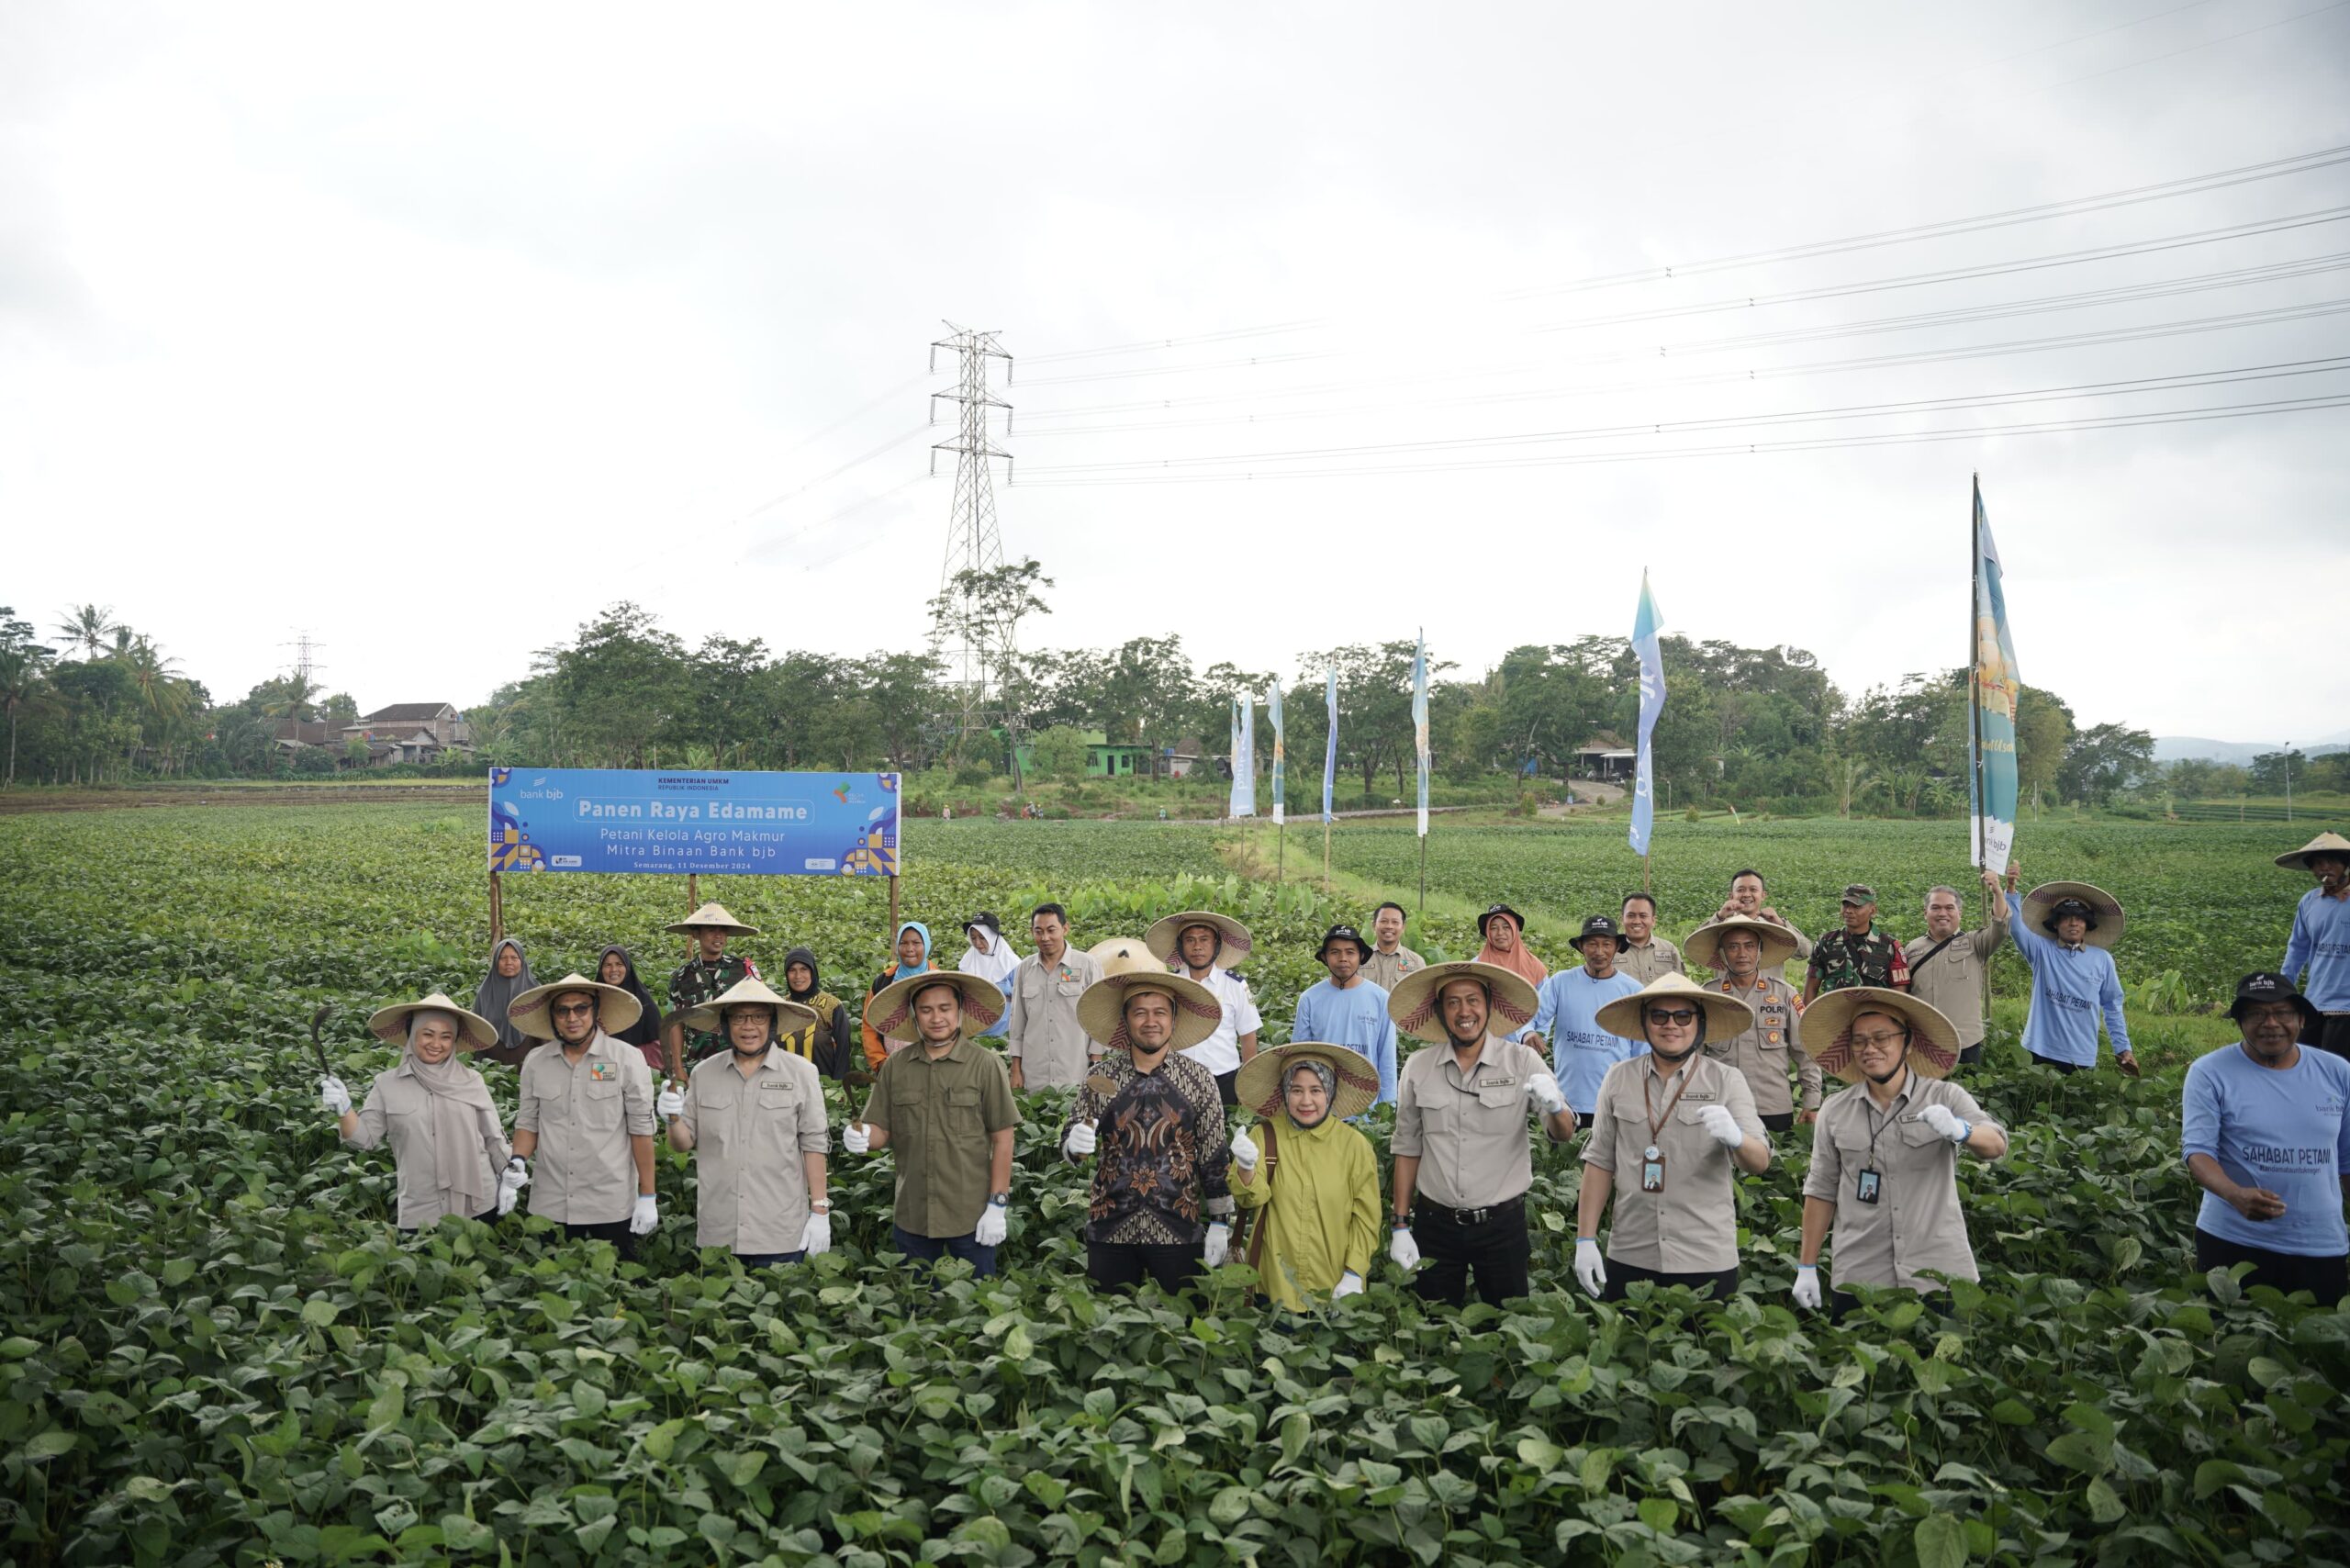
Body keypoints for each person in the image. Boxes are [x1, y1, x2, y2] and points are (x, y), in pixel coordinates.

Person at [1794, 987, 2008, 1316]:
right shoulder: (1835, 1111)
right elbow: (1821, 1190)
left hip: (1938, 1274)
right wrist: (1807, 1266)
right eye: (1859, 1040)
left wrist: (1962, 1131)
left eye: (1882, 1038)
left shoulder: (1945, 1097)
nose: (1870, 1049)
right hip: (1860, 1276)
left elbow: (1995, 1145)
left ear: (1907, 1043)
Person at [1386, 962, 1576, 1308]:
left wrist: (1554, 1106)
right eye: (1453, 1002)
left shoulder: (1521, 1062)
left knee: (1506, 1323)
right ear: (1441, 1013)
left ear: (1489, 1006)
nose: (1464, 1011)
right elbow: (1407, 1145)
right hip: (1435, 1224)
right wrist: (1400, 1224)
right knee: (1435, 1321)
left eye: (1473, 1000)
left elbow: (1562, 1134)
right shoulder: (1418, 1066)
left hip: (1501, 1226)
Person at [1576, 974, 1769, 1302]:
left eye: (1683, 1016)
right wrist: (1585, 1240)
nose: (1671, 1025)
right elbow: (1599, 1162)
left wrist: (1738, 1139)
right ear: (1645, 1022)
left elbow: (1760, 1162)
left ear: (1699, 1023)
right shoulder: (1619, 1078)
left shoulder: (1726, 1081)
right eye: (1659, 1015)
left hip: (1705, 1254)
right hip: (1631, 1251)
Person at [1063, 961, 1235, 1294]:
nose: (1151, 1021)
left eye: (1160, 1012)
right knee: (1109, 1327)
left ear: (1174, 1019)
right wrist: (1074, 1144)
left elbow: (1213, 1155)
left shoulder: (1199, 1079)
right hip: (1110, 1226)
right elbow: (1073, 1143)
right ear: (1126, 1020)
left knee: (1182, 1330)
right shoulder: (1101, 1078)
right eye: (1140, 1013)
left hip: (1178, 1227)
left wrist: (1219, 1221)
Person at [2181, 972, 2350, 1305]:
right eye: (2256, 1014)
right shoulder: (2210, 1072)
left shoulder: (2337, 1072)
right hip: (2233, 1239)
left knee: (2316, 1351)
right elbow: (2198, 1151)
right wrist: (2235, 1194)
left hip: (2320, 1243)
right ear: (2240, 1022)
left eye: (2282, 1013)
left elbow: (2346, 1162)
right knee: (2232, 1342)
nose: (2271, 1023)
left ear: (2301, 1019)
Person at [843, 971, 1018, 1274]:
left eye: (945, 1008)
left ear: (960, 1011)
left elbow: (1003, 1137)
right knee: (918, 1303)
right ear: (914, 1016)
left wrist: (997, 1204)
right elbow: (881, 1129)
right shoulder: (897, 1066)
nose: (936, 1017)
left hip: (972, 1213)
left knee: (975, 1303)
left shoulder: (984, 1064)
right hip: (914, 1211)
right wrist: (863, 1136)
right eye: (926, 1010)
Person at [655, 977, 832, 1267]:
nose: (748, 1026)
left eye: (758, 1017)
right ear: (725, 1025)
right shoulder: (704, 1073)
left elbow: (813, 1144)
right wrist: (672, 1118)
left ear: (772, 1023)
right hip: (718, 1232)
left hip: (780, 1232)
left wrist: (820, 1211)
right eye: (738, 1018)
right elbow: (682, 1143)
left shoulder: (802, 1073)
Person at [319, 992, 511, 1231]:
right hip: (421, 1208)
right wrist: (344, 1110)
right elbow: (363, 1139)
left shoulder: (472, 1081)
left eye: (446, 1037)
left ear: (454, 1041)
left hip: (479, 1202)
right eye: (427, 1034)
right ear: (412, 1035)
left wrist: (509, 1178)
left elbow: (493, 1139)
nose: (436, 1044)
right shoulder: (387, 1084)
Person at [503, 972, 661, 1257]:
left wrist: (648, 1194)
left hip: (609, 1200)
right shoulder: (536, 1062)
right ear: (552, 1016)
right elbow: (528, 1123)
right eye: (562, 1010)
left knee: (616, 1281)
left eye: (581, 1008)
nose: (572, 1017)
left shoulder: (627, 1059)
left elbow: (641, 1130)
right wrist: (517, 1160)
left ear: (596, 1011)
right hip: (550, 1198)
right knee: (550, 1281)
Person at [1227, 1043, 1384, 1311]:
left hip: (1334, 1289)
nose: (1306, 1101)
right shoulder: (1264, 1136)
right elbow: (1251, 1199)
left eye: (1316, 1090)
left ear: (1331, 1093)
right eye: (1296, 1090)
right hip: (1273, 1288)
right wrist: (1245, 1166)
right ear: (1285, 1092)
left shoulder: (1354, 1146)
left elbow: (1366, 1219)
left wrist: (1354, 1272)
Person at [1988, 865, 2138, 1077]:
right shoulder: (2041, 951)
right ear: (2055, 924)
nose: (2073, 923)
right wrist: (2010, 888)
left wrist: (2122, 1048)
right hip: (2039, 1050)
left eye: (2079, 918)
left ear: (2087, 924)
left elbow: (2113, 1005)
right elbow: (2016, 927)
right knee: (2036, 1105)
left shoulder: (2102, 960)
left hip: (2082, 1054)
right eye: (2066, 917)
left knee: (2076, 1108)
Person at [1684, 915, 1819, 1131]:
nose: (1742, 954)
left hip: (1773, 1106)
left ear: (1760, 950)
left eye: (1749, 946)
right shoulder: (1707, 995)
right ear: (1722, 953)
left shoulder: (1784, 993)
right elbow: (1693, 1056)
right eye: (1733, 947)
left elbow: (1804, 1050)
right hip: (1722, 1107)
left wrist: (1812, 1102)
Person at [1514, 915, 1643, 1119]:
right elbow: (1528, 1015)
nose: (1599, 952)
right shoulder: (1561, 982)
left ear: (1617, 947)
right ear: (1581, 947)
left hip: (1615, 1101)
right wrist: (1528, 1032)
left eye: (1606, 944)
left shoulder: (1633, 990)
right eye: (1592, 944)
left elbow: (1642, 1051)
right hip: (1567, 1099)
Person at [1145, 909, 1263, 1106]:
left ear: (1216, 945)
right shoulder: (1169, 985)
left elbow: (1248, 1037)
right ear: (1180, 946)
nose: (1197, 947)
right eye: (1190, 940)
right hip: (1177, 1078)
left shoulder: (1235, 985)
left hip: (1224, 1078)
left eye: (1204, 939)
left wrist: (1247, 1085)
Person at [1292, 924, 1400, 1106]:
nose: (1343, 958)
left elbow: (1387, 1057)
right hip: (1322, 1105)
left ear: (1361, 957)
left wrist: (1387, 1107)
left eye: (1350, 952)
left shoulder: (1381, 998)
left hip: (1367, 1107)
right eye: (1335, 952)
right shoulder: (1309, 999)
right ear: (1325, 958)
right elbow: (1299, 1056)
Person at [1903, 885, 2009, 1069]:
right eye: (1935, 907)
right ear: (1925, 913)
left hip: (1965, 1042)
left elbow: (2000, 927)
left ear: (1959, 912)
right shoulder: (1912, 948)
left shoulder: (1976, 942)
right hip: (1922, 1041)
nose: (1942, 913)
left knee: (1963, 1094)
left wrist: (1998, 893)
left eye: (1949, 908)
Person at [1006, 903, 1102, 1091]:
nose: (1045, 938)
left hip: (1075, 1071)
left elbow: (1097, 1018)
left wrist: (1095, 1063)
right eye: (1038, 931)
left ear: (1065, 929)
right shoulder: (1025, 968)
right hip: (1034, 1074)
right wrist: (1016, 1068)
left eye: (1051, 930)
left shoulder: (1086, 964)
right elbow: (1017, 1020)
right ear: (1032, 932)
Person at [2277, 832, 2350, 1059]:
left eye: (2331, 861)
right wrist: (2284, 988)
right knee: (2307, 1064)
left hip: (2347, 1007)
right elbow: (2297, 948)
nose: (2324, 868)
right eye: (2318, 863)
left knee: (2338, 1070)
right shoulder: (2309, 901)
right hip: (2314, 1002)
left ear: (2345, 865)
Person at [665, 902, 760, 1070]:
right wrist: (678, 1066)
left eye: (723, 931)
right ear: (696, 934)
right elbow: (676, 1023)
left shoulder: (743, 970)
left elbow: (762, 1014)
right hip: (698, 1065)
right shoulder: (682, 976)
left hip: (740, 1064)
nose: (718, 936)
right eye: (711, 930)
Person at [1802, 883, 1909, 1004]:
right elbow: (1811, 986)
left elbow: (1900, 992)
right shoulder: (1826, 942)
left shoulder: (1890, 945)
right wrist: (1807, 1019)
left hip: (1874, 1016)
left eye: (1856, 906)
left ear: (1873, 910)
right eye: (1845, 905)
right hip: (1834, 1016)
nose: (1848, 911)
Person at [861, 922, 939, 1070]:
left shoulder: (940, 981)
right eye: (904, 943)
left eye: (916, 943)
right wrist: (880, 1061)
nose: (910, 949)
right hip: (891, 1066)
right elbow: (869, 1023)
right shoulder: (884, 981)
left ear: (926, 945)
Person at [1714, 870, 1812, 976]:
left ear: (1763, 895)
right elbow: (1695, 946)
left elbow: (1804, 953)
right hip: (1726, 991)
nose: (1747, 894)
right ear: (1731, 896)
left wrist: (1781, 925)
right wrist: (1719, 916)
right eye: (1741, 890)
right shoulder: (1719, 926)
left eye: (1753, 890)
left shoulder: (1775, 927)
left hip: (1771, 991)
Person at [778, 946, 855, 1080]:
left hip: (822, 1089)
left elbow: (843, 1051)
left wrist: (839, 1086)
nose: (798, 976)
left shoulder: (832, 1005)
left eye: (804, 969)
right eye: (792, 970)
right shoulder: (780, 1005)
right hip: (784, 1088)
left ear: (813, 972)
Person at [597, 945, 666, 1071]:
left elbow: (656, 1047)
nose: (614, 970)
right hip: (601, 1069)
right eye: (607, 965)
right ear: (601, 969)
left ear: (627, 968)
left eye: (619, 964)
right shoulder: (592, 1000)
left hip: (636, 1069)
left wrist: (627, 1060)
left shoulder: (644, 1002)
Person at [472, 936, 539, 1069]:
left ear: (522, 961)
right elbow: (477, 1031)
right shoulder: (484, 993)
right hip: (494, 1066)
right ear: (496, 961)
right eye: (503, 958)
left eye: (514, 958)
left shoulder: (535, 992)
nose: (509, 962)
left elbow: (544, 1033)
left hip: (530, 1065)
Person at [956, 913, 1022, 1041]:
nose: (978, 943)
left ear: (992, 936)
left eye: (982, 937)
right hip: (973, 1029)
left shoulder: (1011, 963)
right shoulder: (967, 961)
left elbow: (1022, 1000)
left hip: (1004, 1031)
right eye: (973, 938)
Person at [1472, 904, 1547, 987]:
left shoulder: (1535, 967)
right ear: (1488, 933)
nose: (1500, 933)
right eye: (1493, 928)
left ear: (1515, 930)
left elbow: (1546, 998)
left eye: (1506, 927)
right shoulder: (1476, 965)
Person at [1617, 894, 1684, 985]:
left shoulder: (1669, 949)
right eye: (1631, 916)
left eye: (1643, 916)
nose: (1637, 921)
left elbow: (1681, 986)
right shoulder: (1611, 951)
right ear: (1622, 920)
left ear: (1653, 921)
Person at [1364, 902, 1426, 992]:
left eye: (1395, 922)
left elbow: (1423, 997)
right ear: (1374, 925)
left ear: (1403, 927)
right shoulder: (1360, 958)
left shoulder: (1416, 962)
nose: (1389, 926)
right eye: (1384, 921)